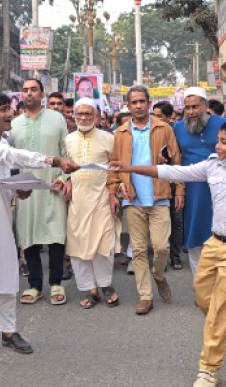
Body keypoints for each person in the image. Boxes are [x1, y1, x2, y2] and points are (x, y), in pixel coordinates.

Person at [109, 118, 226, 387]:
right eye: (218, 141)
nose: (217, 146)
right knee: (203, 297)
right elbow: (172, 173)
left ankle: (208, 369)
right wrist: (129, 167)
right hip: (215, 244)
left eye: (224, 142)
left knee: (219, 310)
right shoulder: (211, 166)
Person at [0, 91, 79, 376]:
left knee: (7, 281)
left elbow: (2, 174)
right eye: (2, 110)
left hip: (0, 220)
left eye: (9, 109)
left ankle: (8, 332)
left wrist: (17, 187)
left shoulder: (3, 139)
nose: (10, 114)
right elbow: (9, 156)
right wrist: (53, 160)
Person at [109, 85, 182, 315]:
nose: (138, 106)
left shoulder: (164, 129)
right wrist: (113, 191)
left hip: (160, 196)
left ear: (149, 103)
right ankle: (145, 296)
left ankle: (159, 275)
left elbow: (177, 162)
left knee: (161, 247)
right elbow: (114, 165)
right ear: (128, 106)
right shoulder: (120, 133)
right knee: (139, 250)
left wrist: (180, 190)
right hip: (133, 198)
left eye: (142, 101)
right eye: (134, 102)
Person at [9, 79, 70, 306]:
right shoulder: (14, 125)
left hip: (53, 185)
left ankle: (56, 283)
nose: (29, 93)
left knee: (55, 235)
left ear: (42, 94)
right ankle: (34, 285)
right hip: (26, 189)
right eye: (25, 90)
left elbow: (66, 150)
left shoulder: (57, 119)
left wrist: (63, 178)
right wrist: (14, 185)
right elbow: (10, 159)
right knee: (28, 236)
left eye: (34, 89)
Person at [65, 99, 120, 309]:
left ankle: (106, 285)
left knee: (103, 243)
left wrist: (114, 193)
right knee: (78, 245)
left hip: (102, 198)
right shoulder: (68, 139)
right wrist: (65, 181)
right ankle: (91, 289)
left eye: (89, 114)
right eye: (80, 114)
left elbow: (116, 169)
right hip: (77, 200)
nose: (84, 118)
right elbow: (63, 167)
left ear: (96, 117)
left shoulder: (108, 138)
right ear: (74, 116)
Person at [173, 87, 226, 274]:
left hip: (222, 186)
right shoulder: (178, 127)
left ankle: (221, 277)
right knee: (195, 230)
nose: (190, 112)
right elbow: (176, 158)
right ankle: (200, 282)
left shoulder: (224, 124)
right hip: (193, 188)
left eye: (195, 107)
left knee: (221, 229)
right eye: (187, 108)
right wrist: (180, 188)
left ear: (206, 106)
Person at [152, 101, 184, 270]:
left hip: (174, 182)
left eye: (159, 116)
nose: (156, 120)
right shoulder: (149, 132)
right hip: (156, 184)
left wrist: (180, 188)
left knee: (177, 221)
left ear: (169, 117)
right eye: (154, 115)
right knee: (161, 223)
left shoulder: (177, 132)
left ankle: (175, 256)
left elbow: (179, 161)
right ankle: (161, 259)